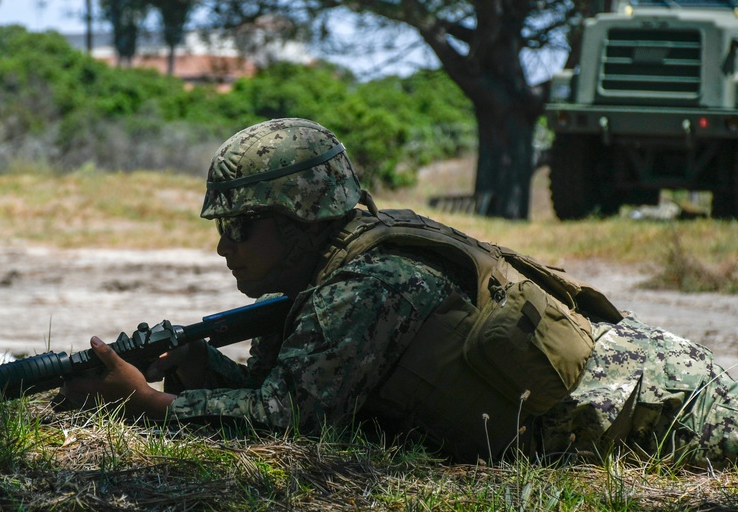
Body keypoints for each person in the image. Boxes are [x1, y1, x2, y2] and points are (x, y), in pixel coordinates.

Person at [62, 118, 738, 467]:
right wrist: (203, 370)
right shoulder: (330, 270)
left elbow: (289, 421)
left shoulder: (365, 284)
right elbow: (302, 383)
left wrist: (146, 401)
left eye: (238, 226)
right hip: (643, 383)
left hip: (665, 406)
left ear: (296, 217)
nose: (223, 246)